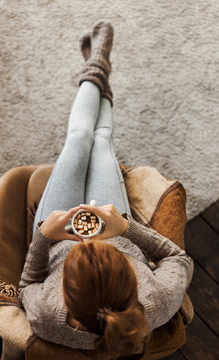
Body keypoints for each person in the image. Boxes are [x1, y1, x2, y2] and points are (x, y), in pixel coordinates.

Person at [18, 20, 194, 359]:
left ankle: (95, 67)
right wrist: (125, 230)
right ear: (133, 281)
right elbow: (178, 258)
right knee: (100, 144)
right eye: (112, 254)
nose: (88, 237)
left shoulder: (46, 317)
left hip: (56, 234)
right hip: (115, 222)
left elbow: (27, 285)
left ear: (66, 295)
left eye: (83, 250)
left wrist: (44, 237)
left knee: (77, 140)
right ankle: (98, 67)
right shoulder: (156, 302)